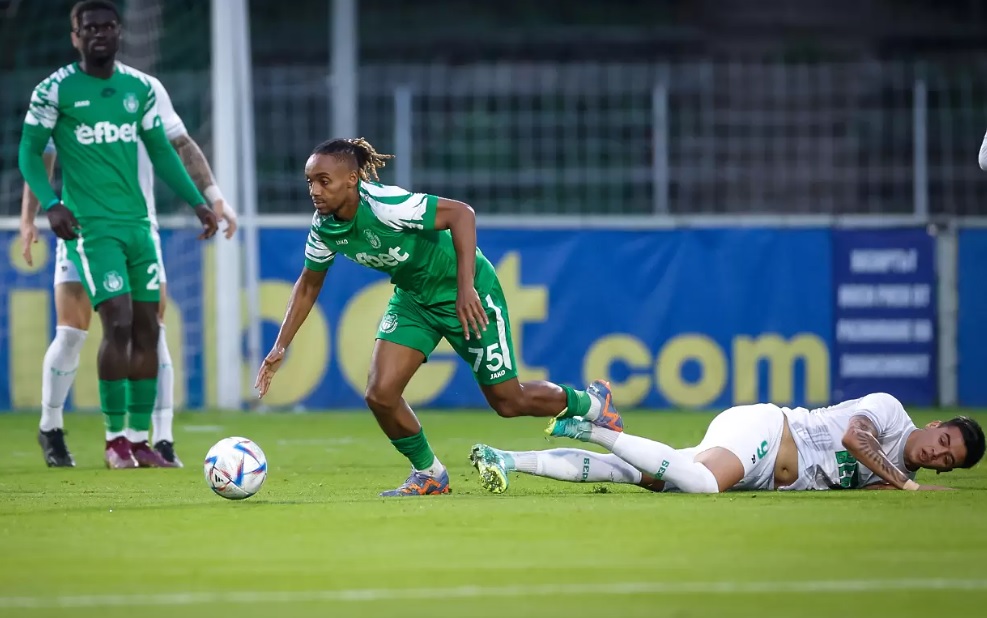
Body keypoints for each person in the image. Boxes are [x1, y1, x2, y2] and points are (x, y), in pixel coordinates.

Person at [254, 137, 622, 496]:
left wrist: (466, 288)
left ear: (352, 179)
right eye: (310, 182)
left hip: (468, 295)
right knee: (380, 394)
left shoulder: (386, 205)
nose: (315, 191)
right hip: (414, 299)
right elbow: (308, 285)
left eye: (324, 181)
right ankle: (429, 474)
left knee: (508, 402)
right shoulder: (324, 227)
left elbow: (462, 214)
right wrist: (280, 346)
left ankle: (591, 404)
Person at [19, 6, 237, 470]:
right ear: (75, 36)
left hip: (140, 225)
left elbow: (170, 148)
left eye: (107, 27)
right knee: (84, 329)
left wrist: (203, 200)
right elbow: (34, 153)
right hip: (85, 227)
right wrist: (40, 210)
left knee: (149, 329)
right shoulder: (55, 90)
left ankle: (151, 439)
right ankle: (69, 429)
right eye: (89, 28)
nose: (99, 35)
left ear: (120, 33)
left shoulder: (143, 89)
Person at [470, 392, 985, 494]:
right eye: (943, 440)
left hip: (761, 475)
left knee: (642, 474)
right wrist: (909, 488)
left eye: (947, 461)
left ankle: (508, 460)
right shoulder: (890, 412)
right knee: (703, 485)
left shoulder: (898, 478)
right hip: (767, 431)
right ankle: (597, 424)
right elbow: (855, 438)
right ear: (935, 423)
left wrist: (903, 486)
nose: (936, 453)